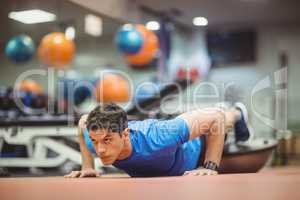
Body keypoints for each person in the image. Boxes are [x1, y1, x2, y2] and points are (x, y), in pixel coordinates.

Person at [64, 102, 250, 178]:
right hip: (169, 147)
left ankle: (237, 112)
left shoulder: (159, 136)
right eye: (95, 141)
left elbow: (214, 117)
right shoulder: (95, 139)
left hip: (196, 145)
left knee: (223, 120)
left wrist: (210, 167)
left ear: (125, 134)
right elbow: (82, 127)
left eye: (107, 140)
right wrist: (88, 167)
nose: (100, 150)